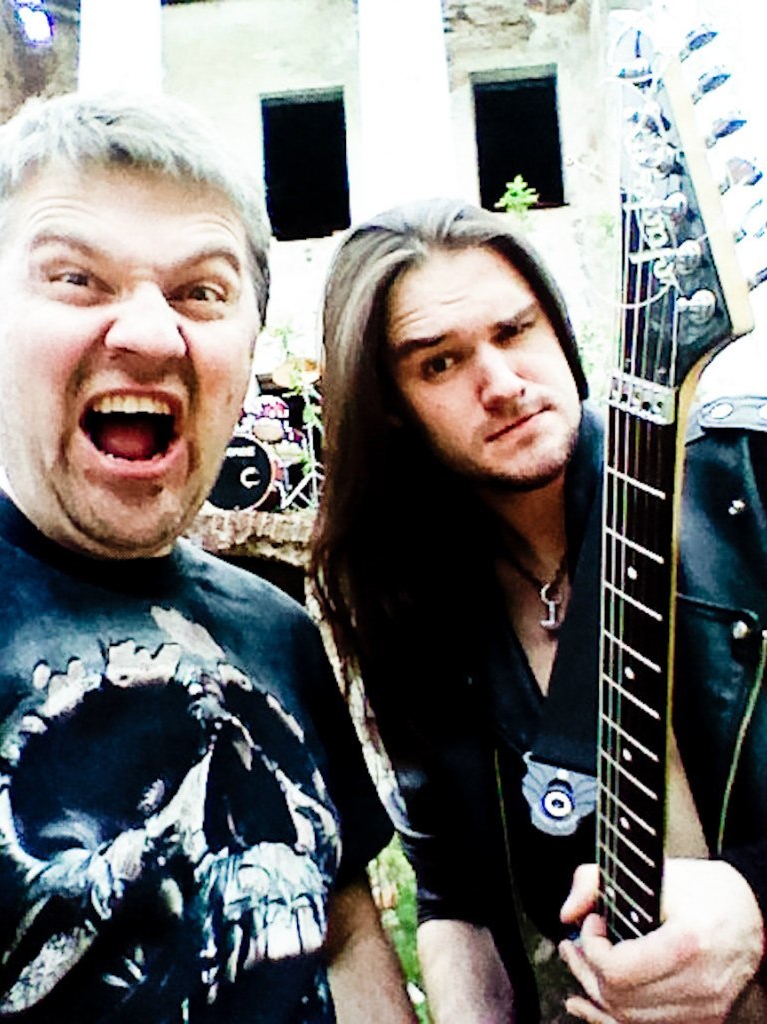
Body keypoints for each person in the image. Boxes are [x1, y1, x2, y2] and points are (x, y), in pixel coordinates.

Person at [0, 92, 417, 1024]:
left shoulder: (277, 630)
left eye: (202, 293)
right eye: (76, 278)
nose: (152, 333)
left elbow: (344, 927)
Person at [311, 198, 767, 1023]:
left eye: (515, 331)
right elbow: (455, 901)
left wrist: (755, 901)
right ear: (390, 408)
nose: (502, 384)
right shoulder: (407, 605)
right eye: (439, 364)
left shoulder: (744, 484)